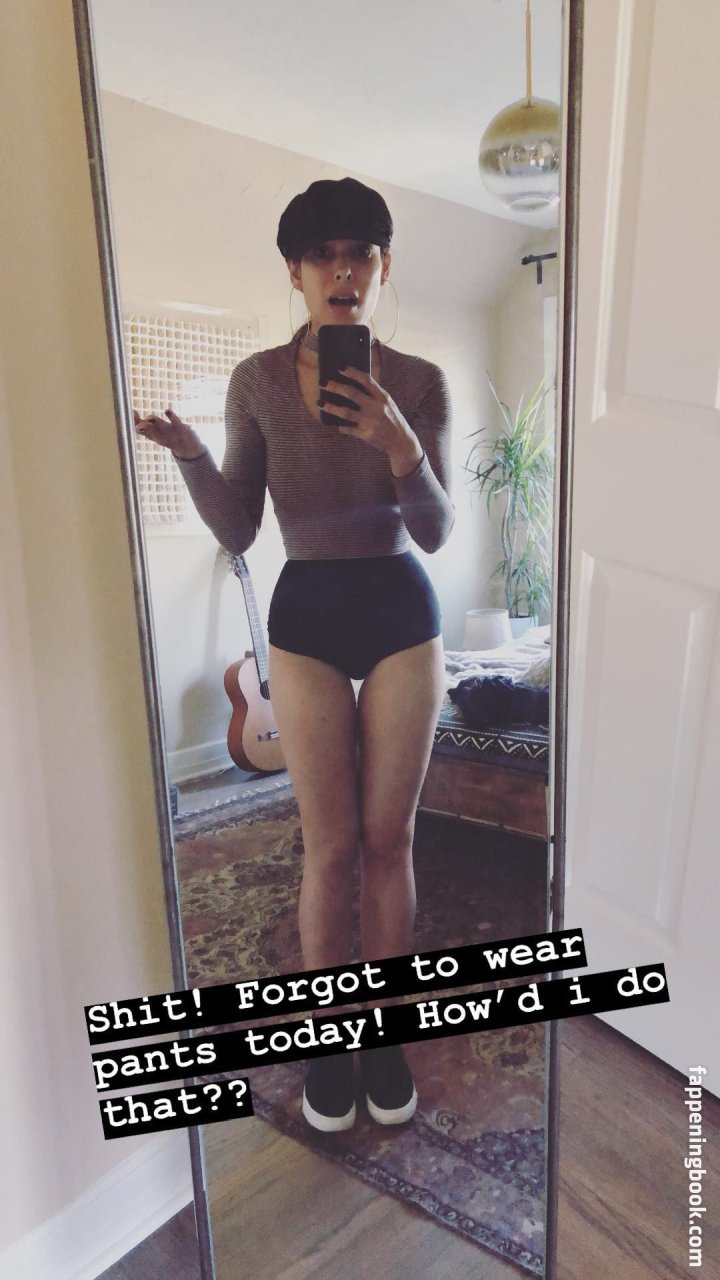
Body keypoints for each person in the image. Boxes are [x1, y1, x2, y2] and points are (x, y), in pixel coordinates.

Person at [135, 177, 455, 1133]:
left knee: (389, 840)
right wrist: (192, 455)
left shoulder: (420, 382)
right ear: (295, 272)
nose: (343, 271)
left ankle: (384, 1033)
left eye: (361, 254)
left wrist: (401, 445)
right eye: (323, 255)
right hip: (307, 609)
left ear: (384, 268)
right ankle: (325, 1037)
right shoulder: (257, 382)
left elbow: (435, 533)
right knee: (330, 845)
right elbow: (239, 528)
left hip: (400, 608)